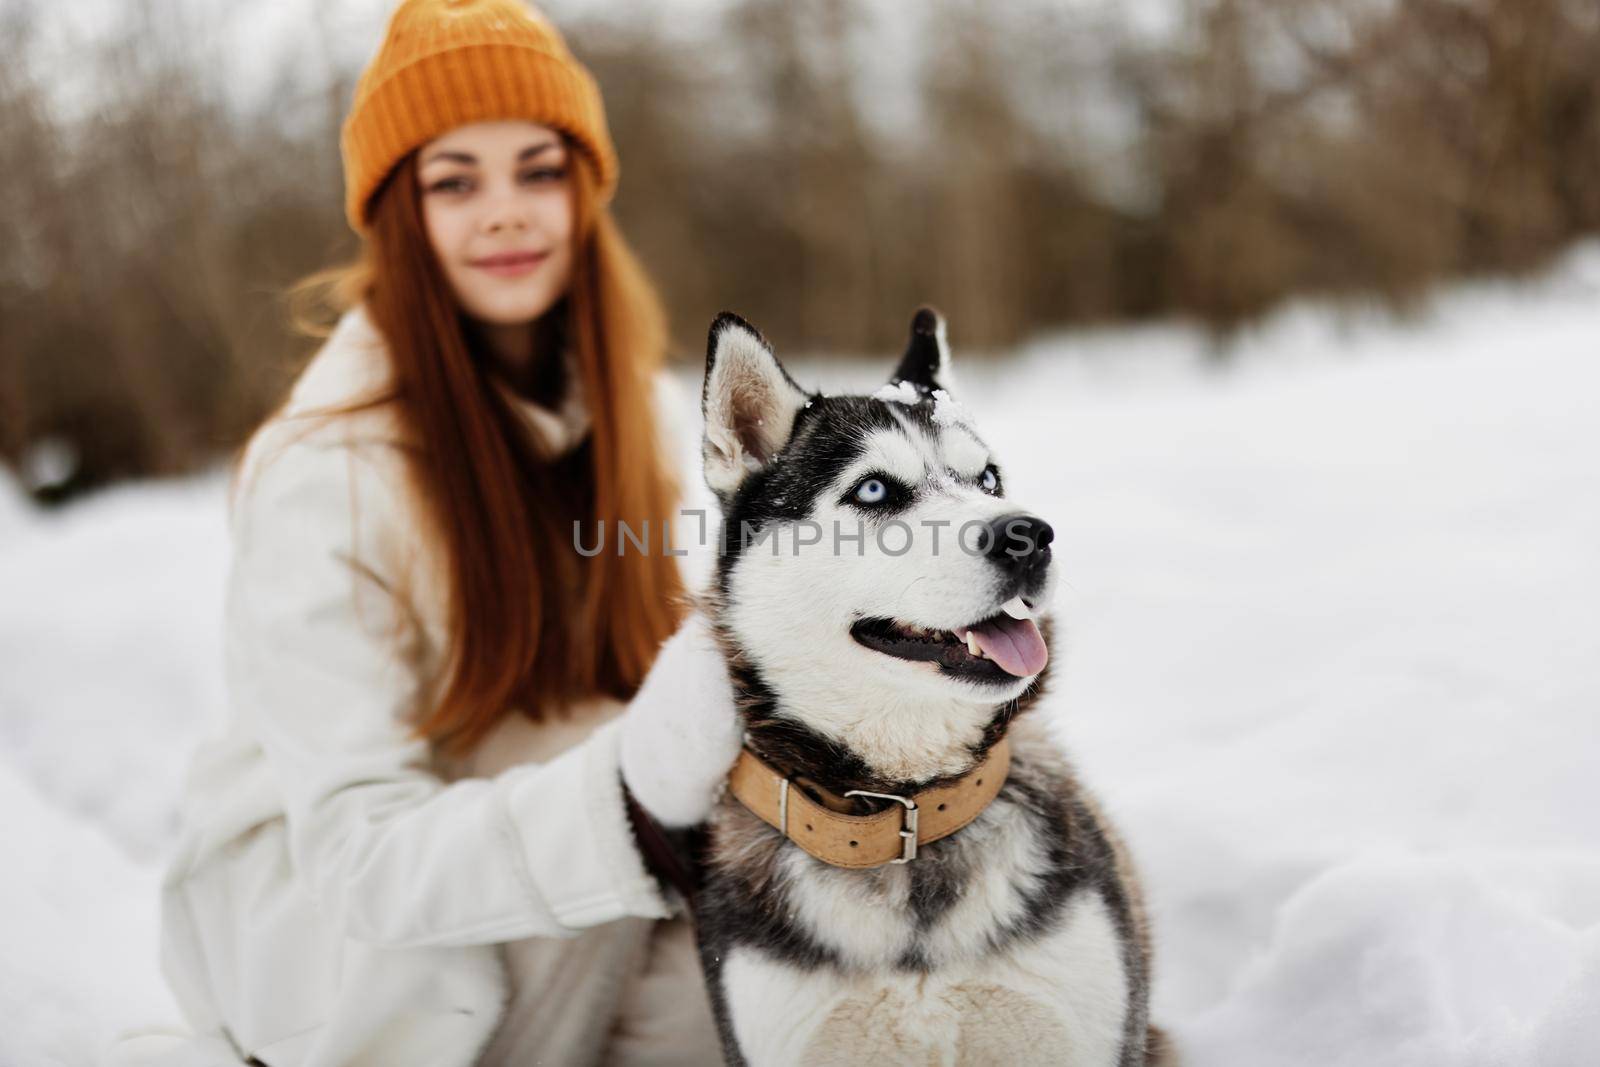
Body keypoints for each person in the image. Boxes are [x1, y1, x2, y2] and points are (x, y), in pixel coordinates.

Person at [105, 2, 742, 1064]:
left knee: (742, 956)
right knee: (613, 817)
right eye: (455, 181)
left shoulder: (640, 409)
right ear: (401, 213)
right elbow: (357, 846)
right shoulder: (326, 469)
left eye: (537, 170)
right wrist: (624, 807)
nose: (505, 212)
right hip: (337, 919)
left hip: (551, 827)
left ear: (585, 191)